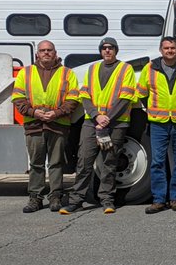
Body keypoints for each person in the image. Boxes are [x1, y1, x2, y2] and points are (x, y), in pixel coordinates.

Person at [59, 37, 138, 215]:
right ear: (101, 51)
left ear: (116, 50)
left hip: (116, 123)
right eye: (104, 48)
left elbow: (126, 97)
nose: (107, 51)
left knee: (109, 162)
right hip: (91, 122)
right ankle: (76, 200)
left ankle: (107, 199)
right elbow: (84, 94)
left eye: (111, 48)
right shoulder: (93, 68)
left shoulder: (126, 69)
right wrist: (96, 116)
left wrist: (107, 118)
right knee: (84, 161)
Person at [11, 40, 78, 213]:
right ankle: (35, 199)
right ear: (37, 54)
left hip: (58, 124)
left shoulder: (67, 73)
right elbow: (18, 98)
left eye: (49, 50)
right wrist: (34, 113)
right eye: (43, 50)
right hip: (34, 124)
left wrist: (56, 113)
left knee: (56, 163)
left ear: (55, 53)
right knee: (36, 164)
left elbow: (73, 99)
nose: (46, 53)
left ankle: (55, 197)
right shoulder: (25, 73)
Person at [138, 36, 176, 213]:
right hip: (158, 122)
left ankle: (175, 198)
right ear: (160, 50)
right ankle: (158, 199)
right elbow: (142, 92)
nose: (169, 51)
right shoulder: (150, 68)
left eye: (172, 48)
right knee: (157, 161)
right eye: (166, 48)